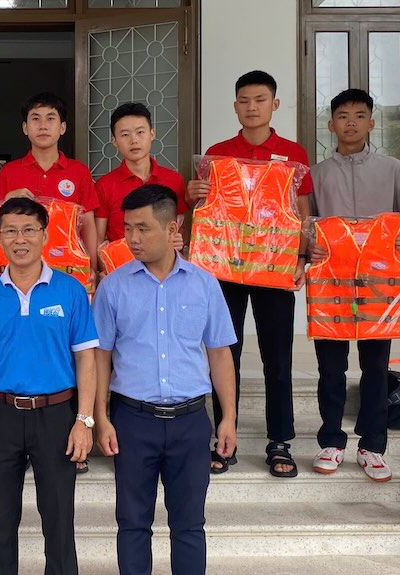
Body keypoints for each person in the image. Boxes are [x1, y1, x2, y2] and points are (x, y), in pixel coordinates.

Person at [92, 184, 237, 575]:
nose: (133, 239)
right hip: (132, 421)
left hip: (191, 422)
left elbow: (220, 354)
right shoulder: (113, 287)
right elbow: (101, 356)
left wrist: (228, 418)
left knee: (189, 525)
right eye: (127, 228)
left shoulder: (204, 284)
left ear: (172, 227)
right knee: (133, 523)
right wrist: (100, 416)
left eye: (143, 228)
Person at [0, 197, 98, 575]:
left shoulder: (69, 291)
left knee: (59, 524)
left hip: (57, 415)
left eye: (29, 230)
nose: (20, 239)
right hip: (1, 414)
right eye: (10, 231)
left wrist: (84, 420)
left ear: (45, 235)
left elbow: (87, 358)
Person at [185, 70, 311, 477]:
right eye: (244, 100)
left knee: (278, 357)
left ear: (274, 104)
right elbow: (204, 212)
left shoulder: (293, 154)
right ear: (235, 105)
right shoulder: (218, 153)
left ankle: (280, 440)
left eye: (260, 99)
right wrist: (194, 195)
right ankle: (226, 435)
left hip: (274, 266)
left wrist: (301, 258)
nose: (251, 107)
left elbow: (302, 212)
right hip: (226, 267)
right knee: (225, 352)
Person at [308, 89, 400, 482]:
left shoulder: (394, 169)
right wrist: (308, 250)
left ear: (372, 123)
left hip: (379, 288)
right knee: (331, 367)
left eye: (360, 115)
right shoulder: (318, 175)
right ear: (331, 124)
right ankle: (331, 441)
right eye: (343, 116)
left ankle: (373, 447)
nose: (351, 122)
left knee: (376, 367)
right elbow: (305, 228)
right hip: (332, 287)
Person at [0, 92, 99, 279]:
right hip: (18, 270)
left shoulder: (79, 171)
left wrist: (92, 265)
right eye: (36, 119)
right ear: (25, 128)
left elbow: (88, 223)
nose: (43, 125)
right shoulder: (8, 172)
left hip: (68, 268)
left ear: (63, 127)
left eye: (50, 118)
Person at [94, 102, 186, 246]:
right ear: (114, 141)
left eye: (140, 132)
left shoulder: (174, 180)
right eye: (125, 134)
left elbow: (181, 230)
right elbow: (98, 242)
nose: (134, 140)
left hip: (165, 266)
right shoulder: (104, 185)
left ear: (152, 134)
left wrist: (179, 241)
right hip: (122, 266)